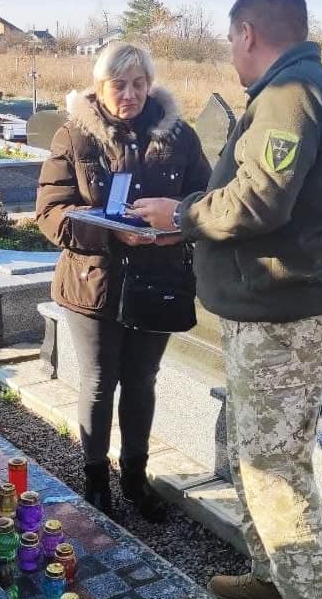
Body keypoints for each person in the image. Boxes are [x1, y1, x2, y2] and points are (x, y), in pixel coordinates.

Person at [131, 0, 322, 599]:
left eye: (231, 39)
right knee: (250, 457)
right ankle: (273, 578)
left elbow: (258, 201)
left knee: (274, 470)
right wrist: (195, 212)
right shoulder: (292, 89)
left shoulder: (290, 94)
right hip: (267, 314)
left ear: (249, 34)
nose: (231, 51)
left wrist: (183, 215)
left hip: (282, 322)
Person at [36, 42, 211, 522]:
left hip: (158, 277)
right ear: (99, 86)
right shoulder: (74, 136)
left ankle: (135, 477)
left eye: (139, 84)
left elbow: (206, 201)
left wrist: (176, 226)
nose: (130, 94)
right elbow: (50, 213)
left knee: (141, 380)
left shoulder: (180, 137)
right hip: (94, 280)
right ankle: (95, 478)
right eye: (119, 85)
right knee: (99, 382)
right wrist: (111, 232)